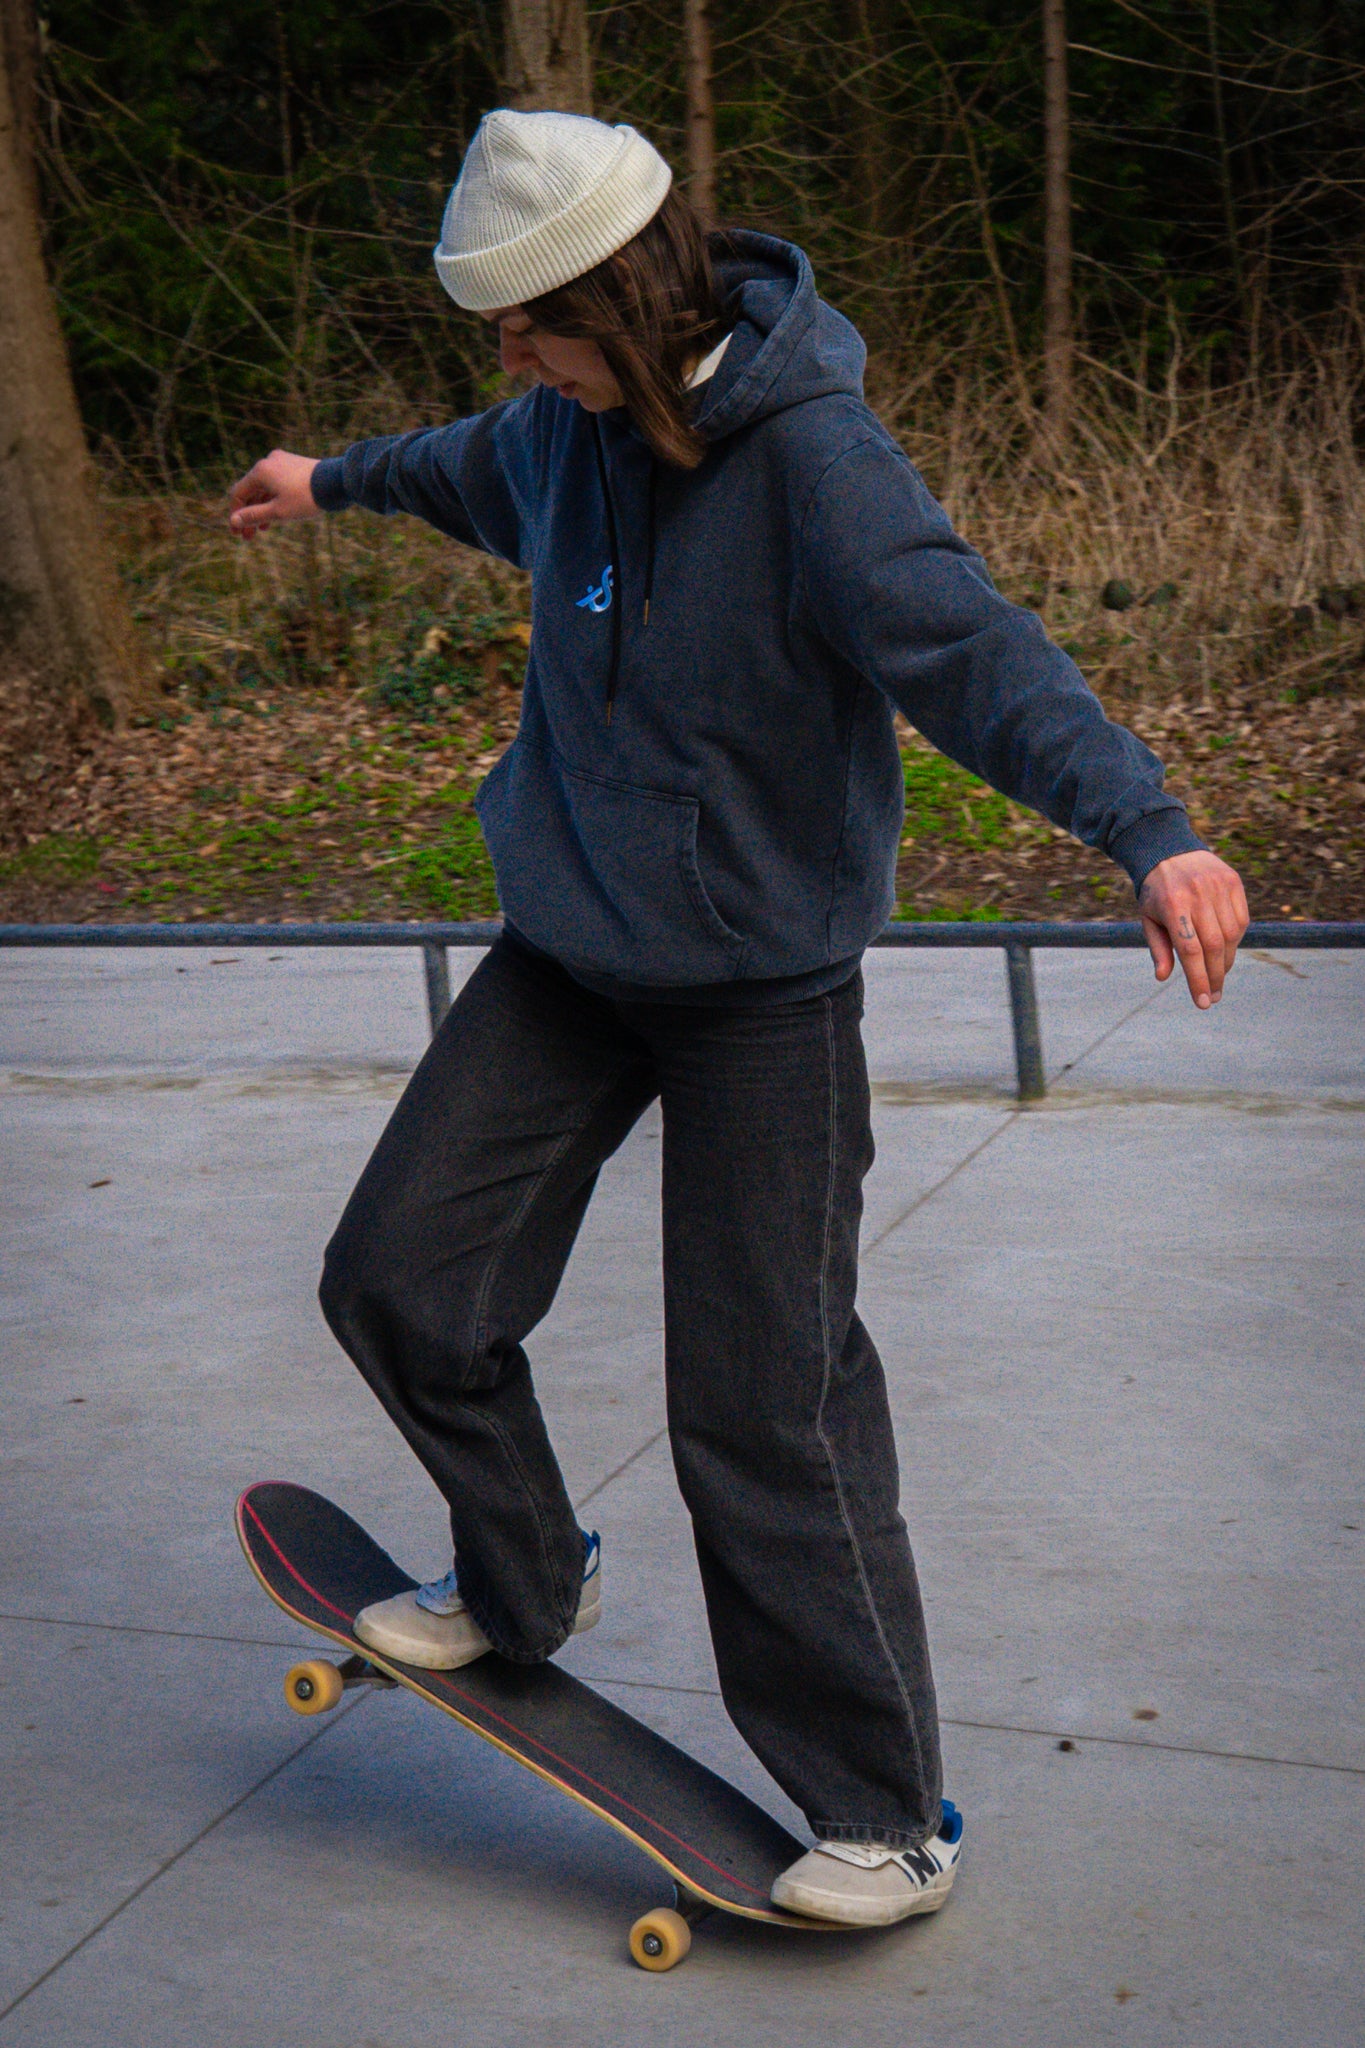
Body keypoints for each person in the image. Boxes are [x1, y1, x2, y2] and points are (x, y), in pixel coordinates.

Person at [228, 108, 1249, 1928]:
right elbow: (457, 466)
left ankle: (880, 1816)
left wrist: (1147, 829)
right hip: (570, 955)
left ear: (610, 298)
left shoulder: (815, 467)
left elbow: (973, 653)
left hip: (761, 991)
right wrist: (327, 479)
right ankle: (525, 1579)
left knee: (762, 1400)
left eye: (527, 329)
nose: (511, 369)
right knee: (395, 1276)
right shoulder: (559, 429)